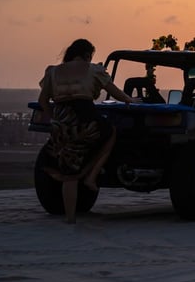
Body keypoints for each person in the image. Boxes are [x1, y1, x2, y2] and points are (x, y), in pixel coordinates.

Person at [37, 38, 134, 224]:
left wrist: (55, 118)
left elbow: (43, 101)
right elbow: (115, 93)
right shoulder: (93, 69)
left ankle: (70, 218)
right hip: (85, 117)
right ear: (87, 55)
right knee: (110, 133)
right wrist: (131, 101)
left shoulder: (53, 71)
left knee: (69, 171)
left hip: (62, 120)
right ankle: (91, 176)